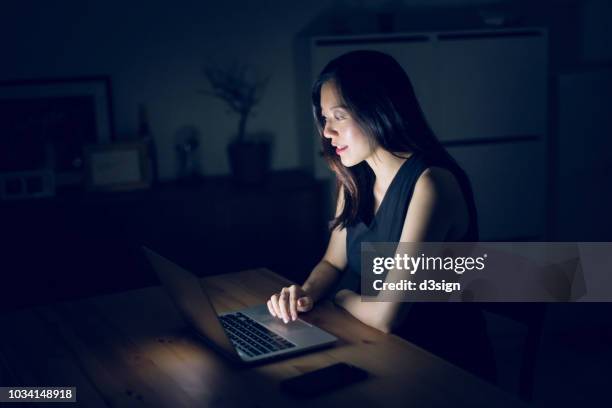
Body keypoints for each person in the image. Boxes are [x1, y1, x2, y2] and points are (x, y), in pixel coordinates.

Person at [267, 50, 495, 382]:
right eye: (324, 118)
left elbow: (387, 315)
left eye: (339, 117)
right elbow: (332, 262)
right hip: (378, 350)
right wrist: (306, 293)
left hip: (440, 367)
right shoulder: (353, 179)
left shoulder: (430, 185)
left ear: (378, 110)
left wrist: (341, 297)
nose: (327, 133)